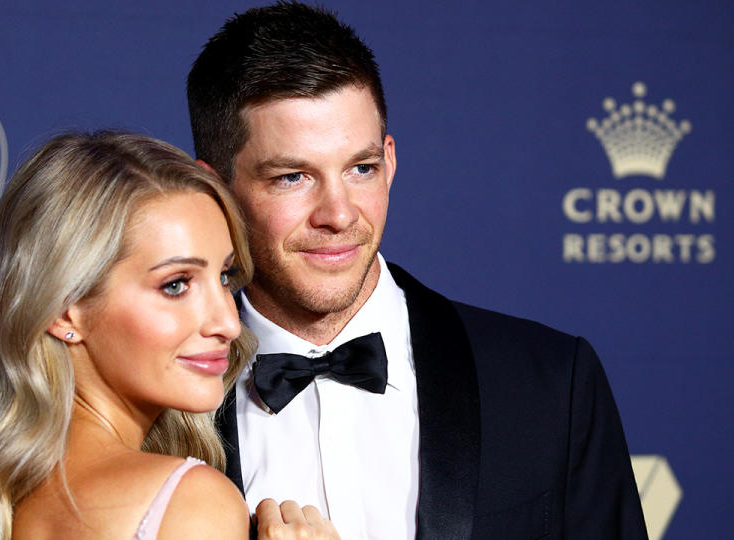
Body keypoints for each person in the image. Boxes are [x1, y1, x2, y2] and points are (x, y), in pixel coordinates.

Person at [187, 2, 648, 539]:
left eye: (361, 169)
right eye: (293, 177)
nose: (338, 214)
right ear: (215, 189)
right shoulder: (150, 406)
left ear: (391, 159)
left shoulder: (548, 383)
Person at [0, 131, 340, 540]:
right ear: (64, 309)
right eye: (176, 285)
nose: (229, 324)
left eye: (225, 277)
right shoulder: (191, 503)